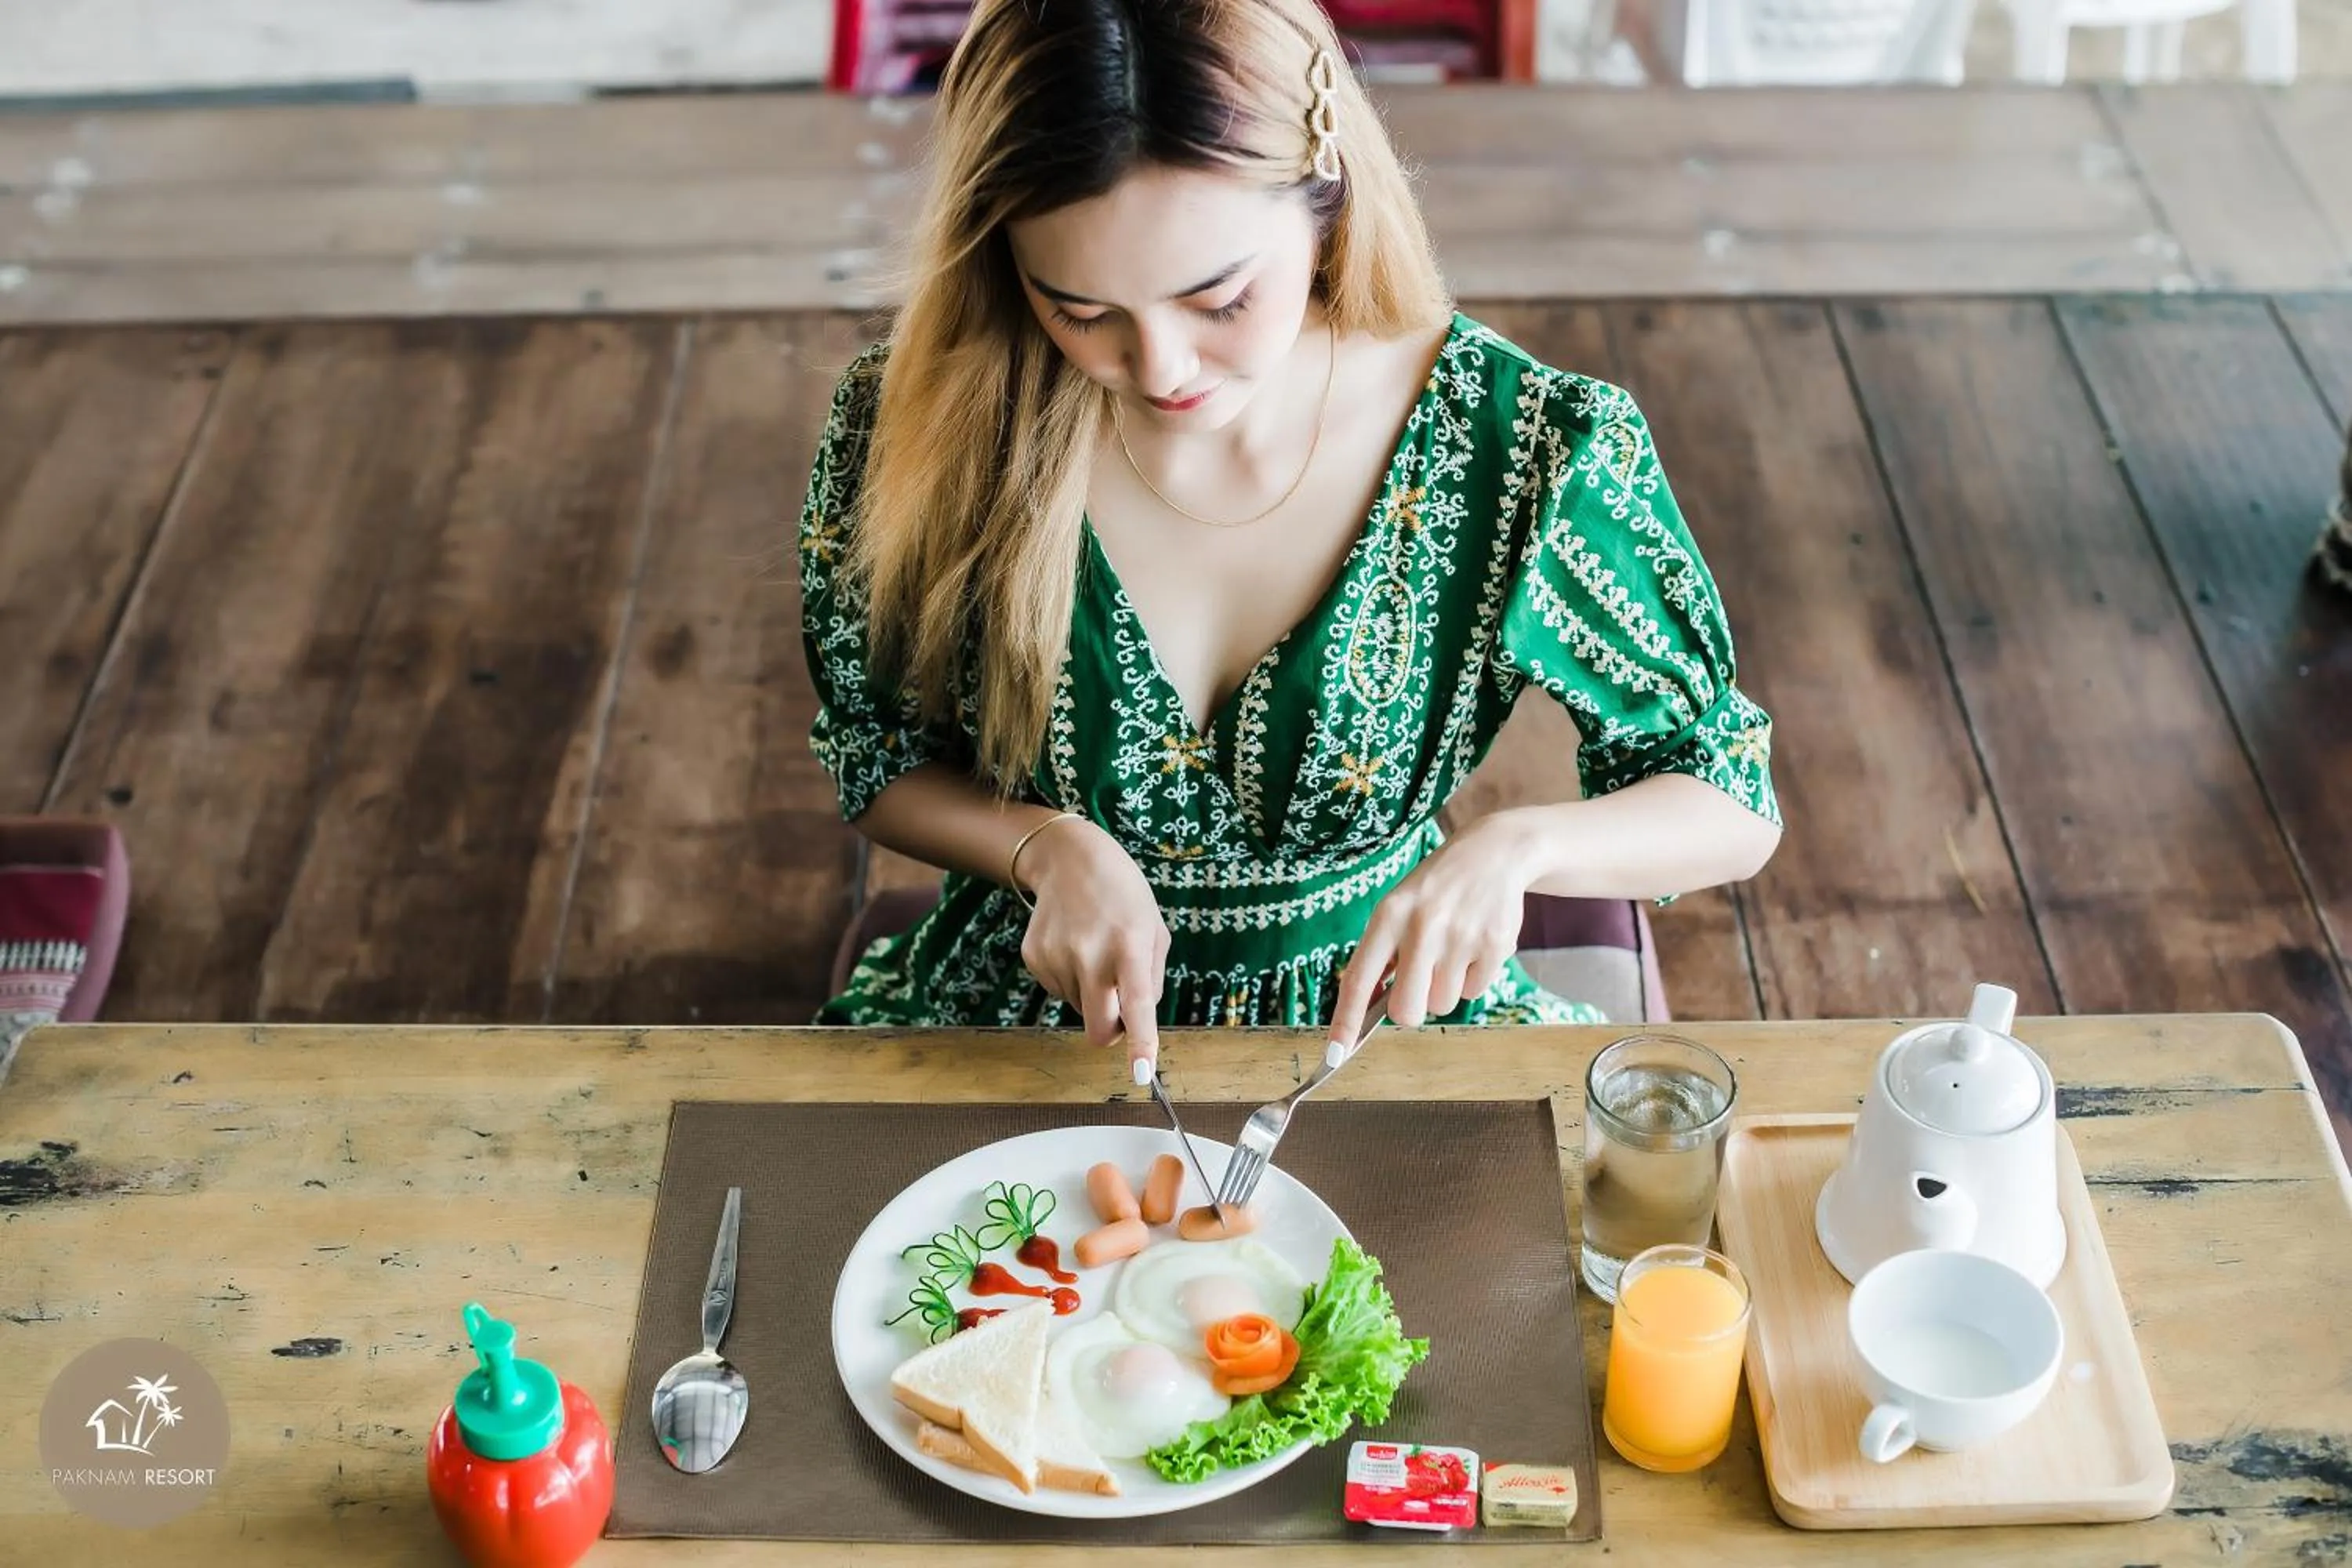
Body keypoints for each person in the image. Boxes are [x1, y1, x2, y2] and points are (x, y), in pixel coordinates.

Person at [798, 0, 1782, 1080]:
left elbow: (1726, 792)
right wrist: (1041, 846)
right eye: (1079, 311)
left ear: (1327, 200)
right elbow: (879, 755)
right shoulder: (917, 428)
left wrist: (1520, 847)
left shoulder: (1525, 445)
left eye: (1218, 298)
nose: (1163, 367)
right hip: (1035, 1015)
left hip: (1382, 1029)